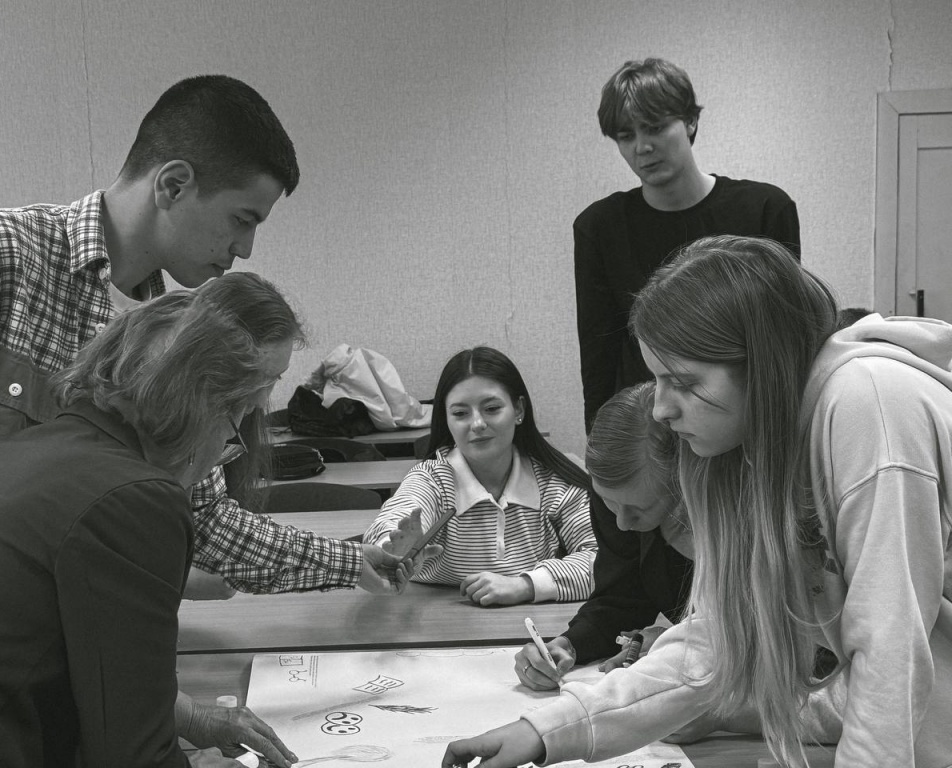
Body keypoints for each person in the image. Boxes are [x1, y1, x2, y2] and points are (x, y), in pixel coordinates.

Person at [0, 75, 405, 754]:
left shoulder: (170, 330)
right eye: (243, 219)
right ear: (174, 184)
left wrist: (351, 560)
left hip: (25, 684)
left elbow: (203, 520)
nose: (245, 250)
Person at [443, 235, 952, 768]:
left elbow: (889, 650)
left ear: (761, 364)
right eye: (656, 379)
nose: (660, 409)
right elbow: (714, 643)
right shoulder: (751, 445)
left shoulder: (868, 402)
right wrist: (548, 730)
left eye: (682, 381)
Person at [0, 273, 417, 767]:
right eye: (235, 424)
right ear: (199, 406)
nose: (223, 452)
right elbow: (133, 753)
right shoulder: (135, 498)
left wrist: (190, 718)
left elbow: (91, 667)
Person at [575, 57, 800, 432]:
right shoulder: (599, 227)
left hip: (743, 423)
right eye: (626, 136)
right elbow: (598, 353)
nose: (642, 147)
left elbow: (782, 339)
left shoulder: (765, 208)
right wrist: (600, 443)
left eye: (655, 128)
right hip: (650, 425)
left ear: (691, 121)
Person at [364, 346, 596, 606]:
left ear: (519, 410)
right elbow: (394, 519)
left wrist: (526, 585)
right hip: (431, 619)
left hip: (527, 622)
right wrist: (392, 548)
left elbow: (604, 559)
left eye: (492, 408)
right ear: (446, 419)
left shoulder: (554, 483)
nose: (477, 424)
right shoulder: (432, 479)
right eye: (460, 414)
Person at [514, 381, 692, 689]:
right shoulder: (624, 497)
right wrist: (570, 644)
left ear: (685, 486)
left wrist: (686, 641)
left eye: (639, 509)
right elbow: (623, 597)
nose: (622, 524)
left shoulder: (733, 516)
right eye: (609, 503)